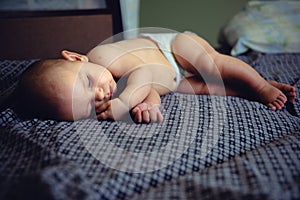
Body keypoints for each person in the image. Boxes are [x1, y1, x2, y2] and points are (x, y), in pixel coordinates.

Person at [17, 32, 296, 123]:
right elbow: (150, 85)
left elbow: (143, 72)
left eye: (89, 83)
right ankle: (247, 88)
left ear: (77, 58)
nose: (101, 96)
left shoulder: (101, 57)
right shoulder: (109, 91)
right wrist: (149, 104)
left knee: (213, 66)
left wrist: (127, 101)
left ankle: (259, 85)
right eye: (90, 105)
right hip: (171, 78)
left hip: (173, 49)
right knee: (207, 88)